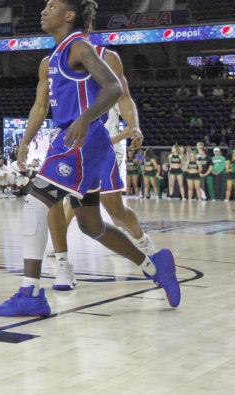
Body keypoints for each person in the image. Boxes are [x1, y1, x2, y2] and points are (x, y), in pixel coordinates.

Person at [0, 0, 178, 316]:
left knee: (35, 203)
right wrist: (25, 140)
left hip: (80, 140)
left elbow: (115, 87)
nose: (44, 11)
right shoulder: (53, 57)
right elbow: (39, 107)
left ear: (70, 15)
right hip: (80, 142)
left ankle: (30, 293)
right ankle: (154, 266)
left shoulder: (78, 45)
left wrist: (86, 118)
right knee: (90, 224)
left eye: (52, 7)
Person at [46, 46, 161, 291]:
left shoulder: (107, 71)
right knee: (65, 196)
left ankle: (141, 239)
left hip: (106, 147)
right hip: (76, 145)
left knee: (115, 209)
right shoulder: (61, 68)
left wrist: (134, 127)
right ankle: (60, 255)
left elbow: (126, 100)